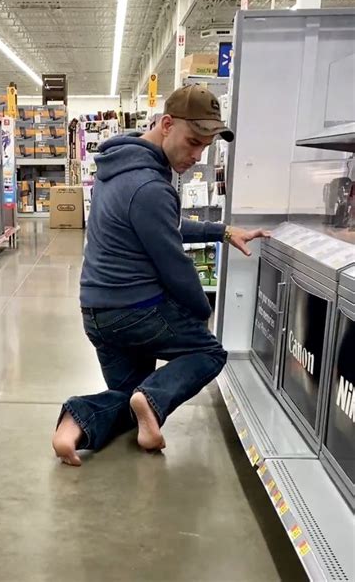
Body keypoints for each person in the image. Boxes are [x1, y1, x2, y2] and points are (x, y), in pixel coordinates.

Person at [53, 84, 269, 466]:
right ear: (167, 124)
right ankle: (149, 401)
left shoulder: (116, 166)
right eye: (193, 142)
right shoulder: (152, 185)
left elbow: (160, 226)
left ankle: (76, 421)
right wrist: (201, 312)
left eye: (205, 146)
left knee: (132, 399)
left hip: (95, 311)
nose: (196, 154)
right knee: (208, 351)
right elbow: (174, 263)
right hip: (136, 311)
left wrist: (220, 231)